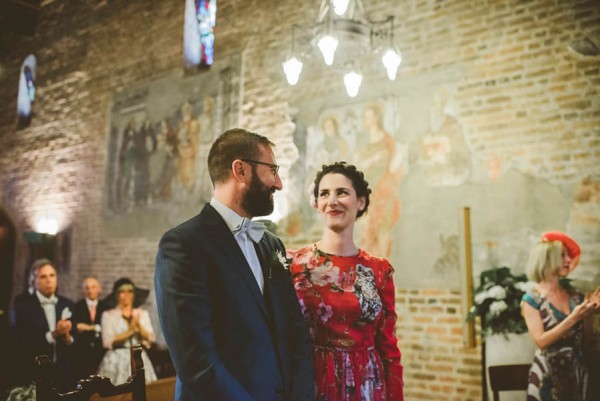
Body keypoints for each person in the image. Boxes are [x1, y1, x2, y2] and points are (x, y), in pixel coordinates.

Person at [155, 128, 315, 401]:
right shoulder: (184, 245)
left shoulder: (271, 245)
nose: (278, 184)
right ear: (240, 170)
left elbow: (294, 332)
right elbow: (197, 363)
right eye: (272, 170)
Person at [290, 161, 404, 401]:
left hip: (366, 385)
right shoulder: (294, 265)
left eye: (342, 192)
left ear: (360, 202)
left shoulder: (379, 270)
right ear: (317, 203)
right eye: (324, 194)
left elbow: (389, 349)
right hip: (309, 383)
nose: (332, 200)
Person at [521, 231, 600, 401]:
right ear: (547, 259)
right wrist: (574, 318)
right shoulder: (531, 300)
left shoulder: (576, 296)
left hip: (577, 373)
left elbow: (586, 342)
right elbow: (541, 341)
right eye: (562, 255)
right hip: (548, 376)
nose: (569, 260)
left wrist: (589, 314)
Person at [11, 259, 75, 391]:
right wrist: (54, 334)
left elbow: (77, 341)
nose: (49, 280)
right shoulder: (22, 304)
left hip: (63, 374)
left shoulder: (67, 304)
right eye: (43, 276)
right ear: (34, 281)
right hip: (34, 373)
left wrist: (67, 337)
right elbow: (23, 341)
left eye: (52, 275)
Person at [97, 277, 157, 385]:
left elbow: (150, 338)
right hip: (116, 359)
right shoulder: (108, 315)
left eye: (130, 292)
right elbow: (108, 342)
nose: (127, 295)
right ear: (117, 295)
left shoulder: (142, 314)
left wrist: (138, 325)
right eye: (122, 292)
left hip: (138, 358)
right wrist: (130, 331)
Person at [71, 276, 108, 377]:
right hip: (83, 353)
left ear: (99, 289)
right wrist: (96, 327)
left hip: (102, 352)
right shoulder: (77, 306)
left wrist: (88, 327)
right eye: (87, 288)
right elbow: (76, 326)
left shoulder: (106, 306)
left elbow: (108, 327)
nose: (90, 290)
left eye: (93, 287)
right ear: (83, 290)